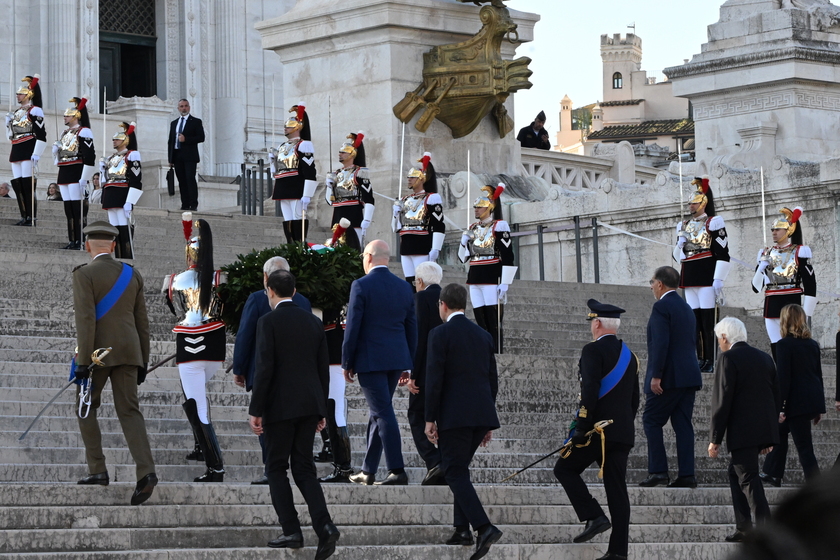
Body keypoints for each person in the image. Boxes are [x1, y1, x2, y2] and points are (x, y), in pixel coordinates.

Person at [248, 269, 340, 559]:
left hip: (279, 406)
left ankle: (292, 529)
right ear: (295, 291)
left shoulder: (268, 322)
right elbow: (322, 368)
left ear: (270, 290)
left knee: (276, 467)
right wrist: (322, 408)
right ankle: (324, 526)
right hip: (309, 404)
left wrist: (256, 409)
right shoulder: (313, 322)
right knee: (304, 468)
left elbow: (264, 369)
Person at [72, 220, 157, 506]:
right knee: (130, 411)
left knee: (85, 407)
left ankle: (97, 469)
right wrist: (143, 360)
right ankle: (146, 472)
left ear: (87, 246)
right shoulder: (132, 275)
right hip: (130, 352)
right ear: (113, 245)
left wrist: (84, 361)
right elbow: (142, 324)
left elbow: (85, 321)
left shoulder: (85, 275)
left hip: (97, 355)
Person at [553, 300, 639, 560]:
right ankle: (618, 552)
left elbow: (589, 391)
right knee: (617, 490)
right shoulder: (630, 356)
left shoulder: (592, 351)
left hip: (595, 432)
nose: (592, 326)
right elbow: (634, 401)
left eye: (592, 321)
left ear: (598, 323)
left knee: (564, 469)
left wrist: (581, 426)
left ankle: (594, 515)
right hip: (621, 433)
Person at [425, 282, 501, 558]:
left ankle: (484, 526)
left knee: (454, 471)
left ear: (442, 305)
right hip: (480, 414)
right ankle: (461, 528)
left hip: (454, 416)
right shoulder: (483, 335)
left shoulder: (439, 334)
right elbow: (492, 380)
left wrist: (429, 418)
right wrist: (487, 420)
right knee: (459, 469)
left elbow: (435, 379)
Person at [343, 239, 417, 485]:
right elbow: (411, 328)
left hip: (370, 359)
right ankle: (368, 469)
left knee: (382, 412)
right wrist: (409, 363)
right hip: (396, 359)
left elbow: (352, 327)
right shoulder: (404, 287)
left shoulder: (361, 285)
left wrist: (346, 361)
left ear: (370, 257)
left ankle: (397, 469)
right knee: (379, 411)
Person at [232, 256, 312, 484]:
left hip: (264, 373)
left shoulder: (257, 299)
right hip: (297, 376)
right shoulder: (304, 302)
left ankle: (272, 469)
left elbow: (245, 335)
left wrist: (239, 367)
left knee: (265, 424)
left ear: (266, 278)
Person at [162, 214, 226, 482]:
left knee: (196, 403)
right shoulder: (220, 277)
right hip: (214, 342)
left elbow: (173, 308)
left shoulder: (175, 279)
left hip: (188, 340)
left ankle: (215, 465)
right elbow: (224, 309)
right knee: (197, 399)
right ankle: (202, 447)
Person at [709, 317, 779, 542]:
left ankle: (765, 530)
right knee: (735, 473)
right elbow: (773, 396)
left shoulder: (728, 358)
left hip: (742, 431)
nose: (719, 343)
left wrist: (715, 438)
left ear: (724, 338)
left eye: (719, 339)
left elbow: (723, 399)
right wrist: (768, 436)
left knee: (748, 478)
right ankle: (744, 526)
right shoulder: (765, 357)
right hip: (761, 429)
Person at [640, 266, 702, 488]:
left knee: (651, 420)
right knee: (683, 424)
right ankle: (687, 474)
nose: (651, 286)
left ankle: (658, 471)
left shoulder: (661, 307)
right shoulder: (686, 307)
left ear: (660, 284)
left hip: (669, 377)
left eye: (652, 282)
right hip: (689, 376)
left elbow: (660, 344)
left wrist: (656, 376)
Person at [760, 304, 825, 487]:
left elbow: (784, 378)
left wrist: (781, 407)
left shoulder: (784, 345)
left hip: (795, 404)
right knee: (779, 434)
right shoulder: (812, 344)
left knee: (804, 447)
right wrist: (819, 407)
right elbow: (817, 375)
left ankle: (816, 486)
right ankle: (773, 473)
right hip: (808, 402)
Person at [673, 176, 731, 373]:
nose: (691, 206)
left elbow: (723, 252)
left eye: (695, 202)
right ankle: (698, 357)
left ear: (703, 202)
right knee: (693, 322)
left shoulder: (713, 223)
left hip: (706, 274)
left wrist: (718, 279)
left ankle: (711, 359)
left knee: (708, 321)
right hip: (689, 276)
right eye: (690, 203)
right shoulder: (683, 225)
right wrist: (680, 243)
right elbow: (678, 257)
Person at [319, 221, 361, 484]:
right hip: (333, 349)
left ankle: (343, 466)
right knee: (331, 407)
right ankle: (335, 457)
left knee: (334, 408)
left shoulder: (343, 280)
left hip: (335, 349)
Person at [459, 183, 516, 353]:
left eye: (480, 207)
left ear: (489, 208)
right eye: (475, 207)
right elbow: (463, 258)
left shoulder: (499, 226)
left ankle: (496, 350)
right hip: (475, 276)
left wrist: (505, 282)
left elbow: (508, 255)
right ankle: (484, 349)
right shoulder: (472, 228)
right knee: (479, 317)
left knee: (492, 318)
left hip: (491, 276)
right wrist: (463, 243)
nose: (476, 210)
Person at [752, 207, 817, 354]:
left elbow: (810, 284)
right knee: (776, 346)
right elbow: (756, 288)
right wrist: (761, 268)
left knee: (794, 346)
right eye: (773, 229)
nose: (774, 232)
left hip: (791, 303)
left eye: (778, 229)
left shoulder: (799, 251)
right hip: (771, 304)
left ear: (788, 230)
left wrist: (806, 313)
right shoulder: (766, 253)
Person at [404, 261, 446, 485]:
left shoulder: (420, 298)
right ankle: (445, 461)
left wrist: (412, 373)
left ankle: (434, 460)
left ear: (419, 281)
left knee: (416, 415)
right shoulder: (447, 296)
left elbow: (418, 338)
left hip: (426, 370)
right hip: (447, 369)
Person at [393, 152, 445, 289]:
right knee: (410, 283)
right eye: (408, 177)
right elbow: (396, 228)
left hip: (421, 245)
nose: (409, 179)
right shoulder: (405, 200)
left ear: (422, 179)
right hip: (406, 245)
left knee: (422, 283)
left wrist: (435, 248)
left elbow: (438, 225)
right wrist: (395, 214)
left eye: (413, 177)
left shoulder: (431, 198)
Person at [270, 102, 317, 243]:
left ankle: (300, 246)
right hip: (283, 185)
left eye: (289, 125)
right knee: (288, 219)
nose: (285, 128)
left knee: (298, 218)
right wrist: (273, 162)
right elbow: (277, 170)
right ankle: (291, 246)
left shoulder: (303, 145)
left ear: (298, 127)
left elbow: (310, 171)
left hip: (296, 185)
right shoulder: (282, 146)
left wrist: (307, 194)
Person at [54, 97, 96, 250]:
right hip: (64, 171)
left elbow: (90, 156)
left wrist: (84, 178)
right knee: (68, 208)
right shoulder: (65, 132)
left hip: (76, 170)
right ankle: (72, 239)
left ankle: (80, 239)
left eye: (67, 115)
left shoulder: (83, 131)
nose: (65, 117)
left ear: (76, 116)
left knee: (77, 208)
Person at [6, 74, 46, 226]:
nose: (18, 96)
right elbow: (10, 136)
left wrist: (37, 153)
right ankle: (24, 215)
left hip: (29, 146)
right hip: (16, 147)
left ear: (28, 94)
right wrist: (7, 123)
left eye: (20, 93)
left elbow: (41, 134)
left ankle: (31, 216)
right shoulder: (16, 112)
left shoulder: (35, 110)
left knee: (27, 184)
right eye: (17, 94)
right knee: (18, 185)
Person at [101, 122, 142, 259]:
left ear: (125, 140)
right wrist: (102, 170)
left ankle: (126, 257)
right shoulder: (111, 158)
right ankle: (118, 256)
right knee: (114, 229)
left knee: (124, 228)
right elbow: (105, 180)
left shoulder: (132, 155)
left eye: (117, 139)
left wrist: (130, 200)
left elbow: (136, 179)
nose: (114, 141)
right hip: (111, 193)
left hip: (123, 193)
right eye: (113, 139)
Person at [325, 131, 375, 245]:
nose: (340, 154)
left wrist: (367, 219)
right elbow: (330, 201)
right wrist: (329, 186)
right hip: (337, 214)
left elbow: (368, 197)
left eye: (343, 152)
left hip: (353, 213)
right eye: (339, 152)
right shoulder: (336, 174)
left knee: (353, 246)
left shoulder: (360, 172)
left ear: (352, 154)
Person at [167, 99, 205, 211]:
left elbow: (201, 137)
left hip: (190, 156)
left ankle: (193, 204)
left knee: (190, 179)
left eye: (186, 106)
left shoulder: (196, 122)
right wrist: (170, 158)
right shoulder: (174, 123)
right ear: (178, 108)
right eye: (181, 106)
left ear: (189, 107)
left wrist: (186, 139)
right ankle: (185, 204)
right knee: (181, 181)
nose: (184, 108)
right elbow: (171, 141)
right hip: (177, 155)